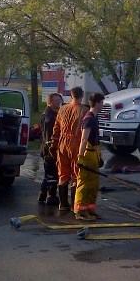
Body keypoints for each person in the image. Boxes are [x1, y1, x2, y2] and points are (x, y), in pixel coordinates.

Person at [50, 86, 87, 211]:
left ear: (71, 96)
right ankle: (73, 205)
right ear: (82, 96)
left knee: (63, 174)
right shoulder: (84, 110)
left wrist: (53, 145)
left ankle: (63, 204)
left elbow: (56, 129)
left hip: (62, 144)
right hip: (76, 144)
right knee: (76, 175)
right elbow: (87, 131)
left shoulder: (62, 109)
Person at [74, 92, 105, 221]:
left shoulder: (94, 118)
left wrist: (99, 156)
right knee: (84, 183)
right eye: (102, 102)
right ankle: (80, 211)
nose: (103, 105)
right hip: (87, 154)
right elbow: (83, 139)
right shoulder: (88, 119)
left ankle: (90, 209)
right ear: (97, 103)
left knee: (93, 184)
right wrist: (80, 158)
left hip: (94, 153)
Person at [37, 92, 63, 204]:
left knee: (48, 174)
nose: (59, 102)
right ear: (51, 102)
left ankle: (42, 194)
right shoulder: (49, 117)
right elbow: (49, 136)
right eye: (57, 100)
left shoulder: (52, 114)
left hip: (48, 149)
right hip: (49, 150)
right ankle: (51, 196)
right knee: (52, 173)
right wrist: (53, 150)